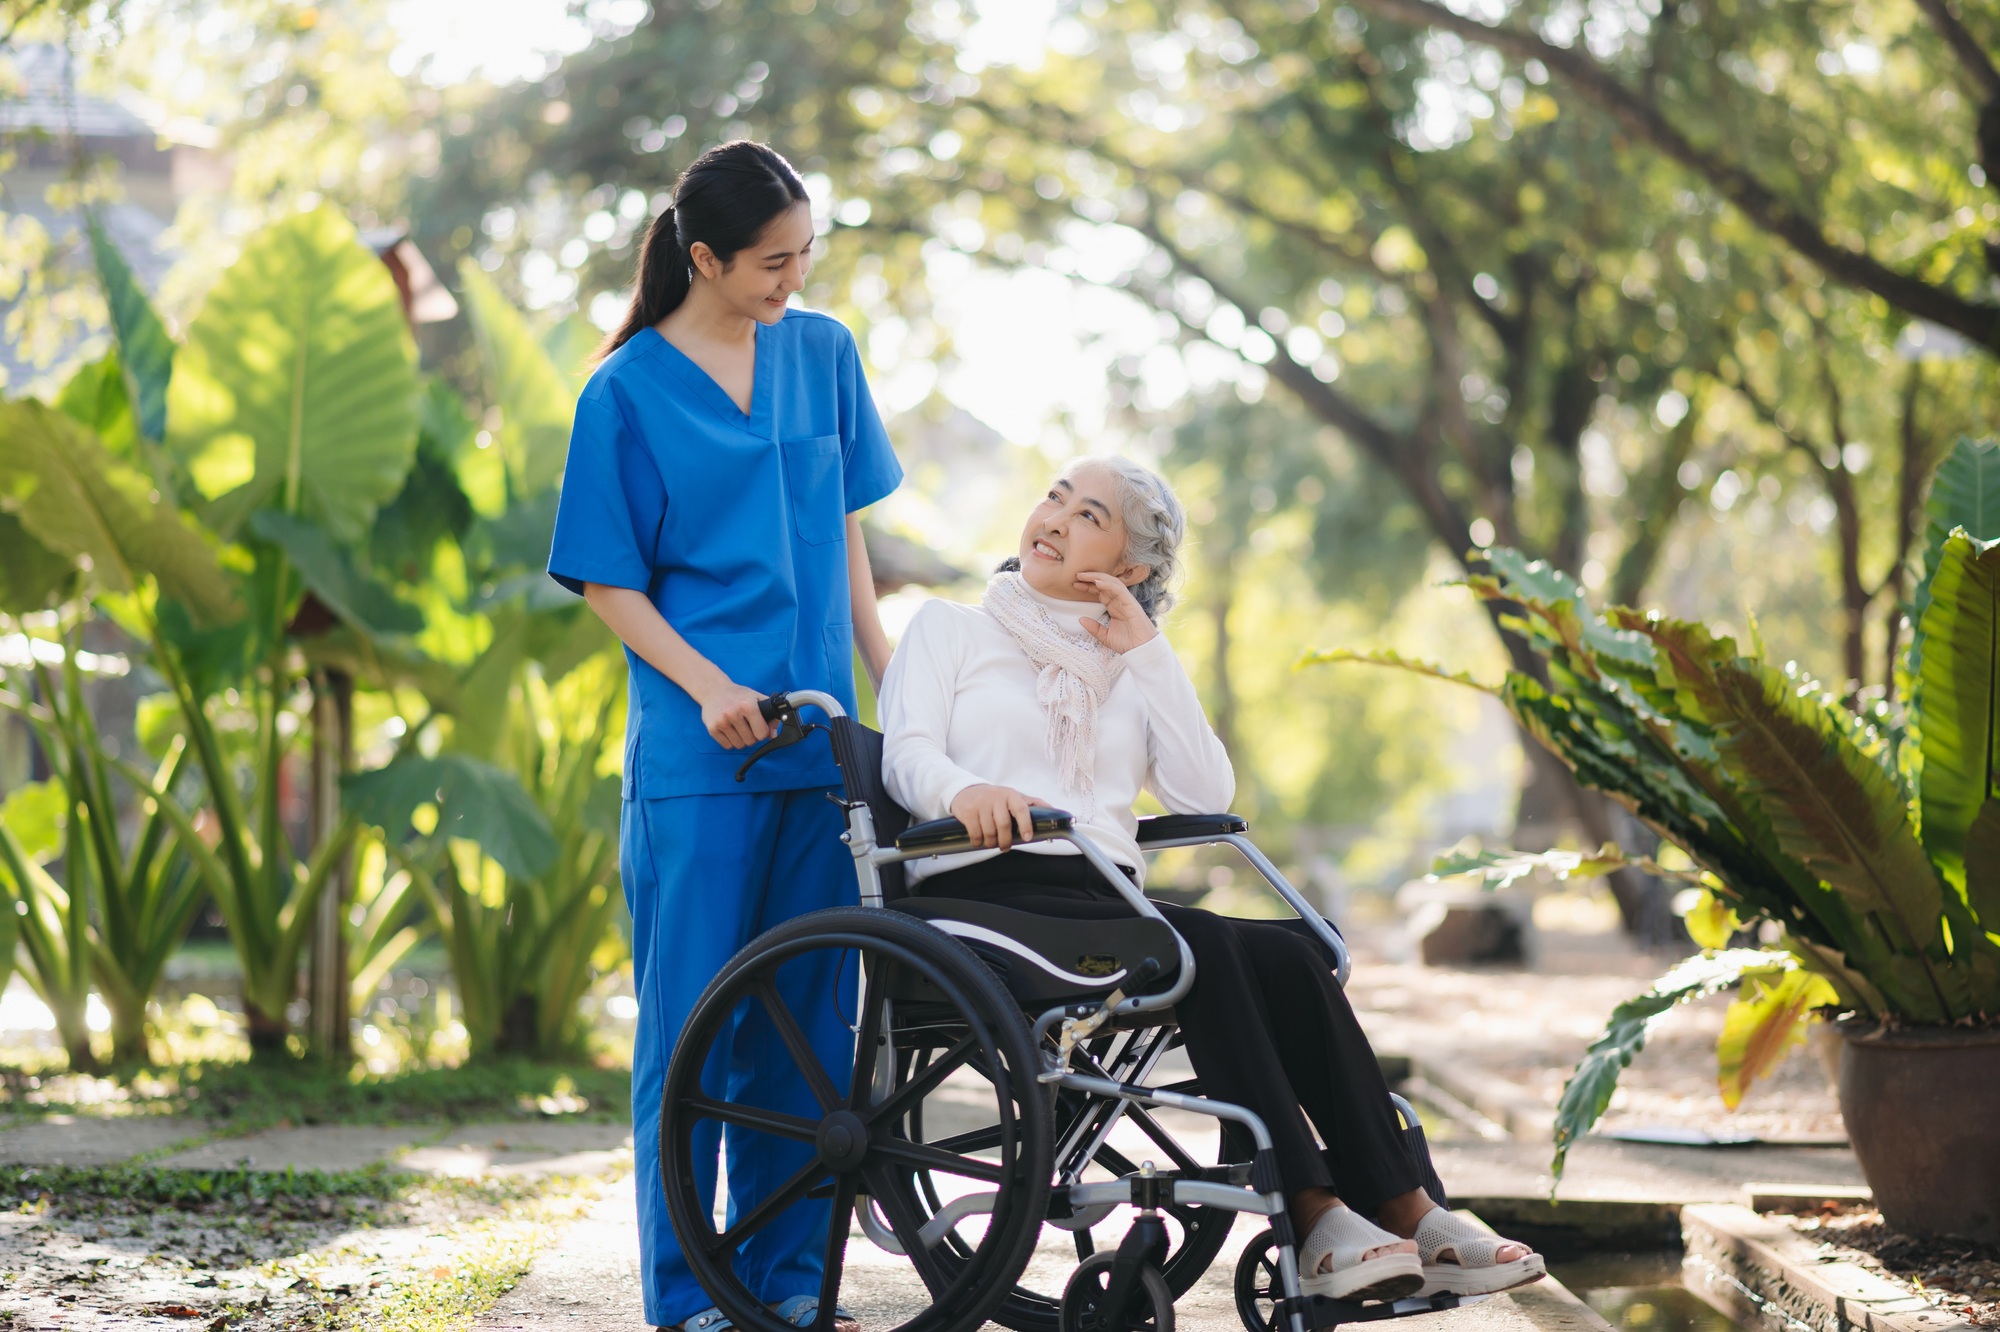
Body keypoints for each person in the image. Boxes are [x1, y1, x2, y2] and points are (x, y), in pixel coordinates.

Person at [878, 456, 1546, 1303]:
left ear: (1129, 569)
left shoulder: (1126, 665)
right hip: (985, 894)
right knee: (1203, 944)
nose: (1054, 518)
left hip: (1101, 901)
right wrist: (963, 792)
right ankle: (1312, 1212)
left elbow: (1204, 795)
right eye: (1055, 498)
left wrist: (1147, 654)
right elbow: (906, 754)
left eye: (1089, 516)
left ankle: (1410, 1208)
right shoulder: (950, 628)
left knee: (1293, 955)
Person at [548, 140, 900, 1332]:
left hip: (821, 752)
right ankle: (689, 1295)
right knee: (692, 1031)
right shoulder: (624, 393)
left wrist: (892, 682)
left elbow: (846, 533)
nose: (792, 280)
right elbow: (608, 582)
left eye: (804, 256)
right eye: (770, 262)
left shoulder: (823, 353)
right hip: (699, 762)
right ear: (703, 258)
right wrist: (706, 688)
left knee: (808, 1029)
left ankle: (789, 1284)